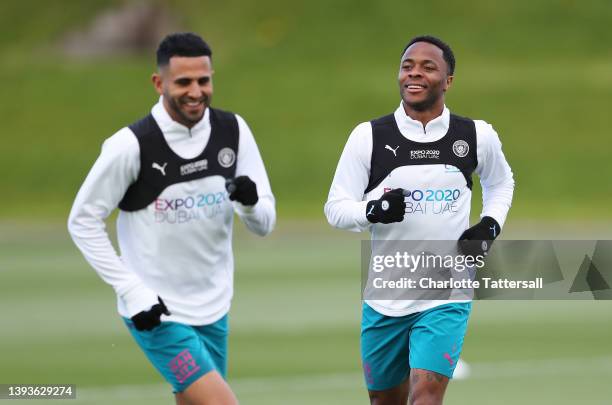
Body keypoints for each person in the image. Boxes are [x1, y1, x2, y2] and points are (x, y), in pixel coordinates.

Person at [68, 32, 275, 405]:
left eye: (203, 80)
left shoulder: (233, 130)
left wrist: (248, 204)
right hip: (157, 313)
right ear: (158, 82)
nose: (195, 91)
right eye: (183, 82)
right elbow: (82, 220)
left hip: (214, 306)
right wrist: (131, 290)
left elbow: (264, 223)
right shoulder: (130, 145)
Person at [324, 35, 514, 404]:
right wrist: (372, 210)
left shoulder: (475, 135)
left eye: (428, 67)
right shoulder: (369, 137)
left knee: (426, 396)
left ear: (448, 81)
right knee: (385, 401)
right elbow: (335, 208)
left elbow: (501, 182)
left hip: (446, 294)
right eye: (407, 66)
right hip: (386, 299)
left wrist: (490, 224)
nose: (414, 73)